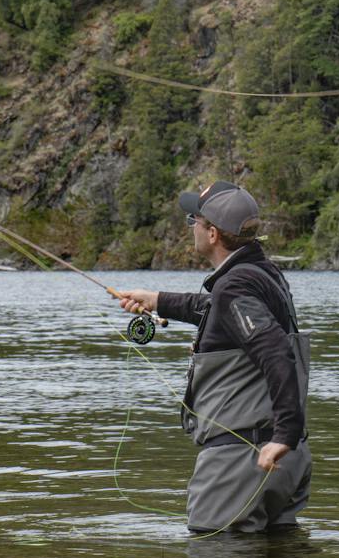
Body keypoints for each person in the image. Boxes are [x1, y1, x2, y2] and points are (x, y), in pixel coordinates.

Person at [112, 181, 312, 534]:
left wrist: (284, 434)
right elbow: (213, 307)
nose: (191, 227)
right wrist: (156, 299)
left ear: (213, 233)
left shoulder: (234, 286)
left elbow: (276, 351)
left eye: (194, 219)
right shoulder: (263, 275)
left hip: (244, 459)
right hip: (286, 459)